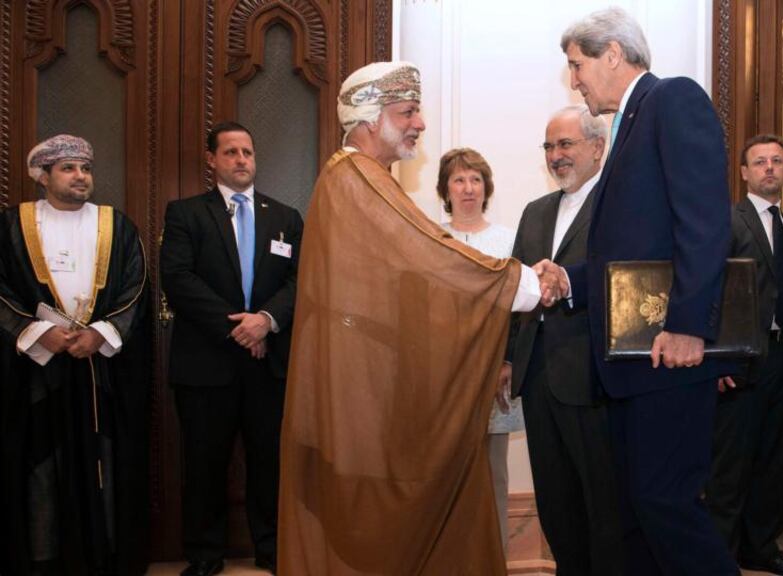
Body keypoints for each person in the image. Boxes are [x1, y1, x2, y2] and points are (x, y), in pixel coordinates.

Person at [276, 61, 554, 575]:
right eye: (407, 112)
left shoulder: (357, 176)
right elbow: (429, 255)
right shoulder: (358, 178)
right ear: (370, 119)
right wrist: (522, 284)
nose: (420, 123)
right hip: (366, 387)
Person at [536, 8, 736, 574]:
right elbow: (629, 250)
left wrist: (689, 326)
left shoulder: (672, 99)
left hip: (669, 352)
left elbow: (704, 223)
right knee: (635, 512)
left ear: (613, 54)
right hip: (633, 358)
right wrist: (570, 281)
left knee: (665, 504)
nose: (574, 79)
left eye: (577, 65)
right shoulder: (626, 123)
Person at [0, 135, 150, 575]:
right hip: (34, 371)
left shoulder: (116, 225)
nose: (80, 176)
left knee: (103, 459)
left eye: (85, 168)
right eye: (68, 168)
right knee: (41, 462)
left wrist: (101, 334)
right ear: (43, 176)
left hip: (98, 369)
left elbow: (136, 287)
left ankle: (103, 557)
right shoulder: (13, 225)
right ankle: (43, 559)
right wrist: (36, 332)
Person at [161, 121, 304, 576]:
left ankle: (272, 548)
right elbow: (178, 278)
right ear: (211, 159)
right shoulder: (185, 214)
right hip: (206, 362)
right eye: (230, 152)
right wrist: (240, 329)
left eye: (247, 152)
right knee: (205, 463)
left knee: (269, 461)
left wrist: (265, 321)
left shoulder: (285, 217)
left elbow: (300, 281)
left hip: (269, 362)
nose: (241, 159)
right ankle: (205, 555)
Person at [506, 104, 623, 574]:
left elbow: (625, 279)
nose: (556, 155)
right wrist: (507, 359)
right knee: (555, 502)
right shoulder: (535, 212)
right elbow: (515, 291)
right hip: (537, 378)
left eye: (566, 144)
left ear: (598, 147)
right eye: (549, 146)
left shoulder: (620, 204)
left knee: (603, 503)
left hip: (595, 379)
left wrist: (568, 282)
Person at [706, 134, 783, 576]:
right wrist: (718, 357)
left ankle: (761, 549)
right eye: (759, 162)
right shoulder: (728, 222)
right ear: (744, 172)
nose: (769, 168)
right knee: (731, 465)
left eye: (776, 160)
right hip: (741, 360)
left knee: (772, 462)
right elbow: (710, 292)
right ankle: (719, 557)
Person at [434, 147, 525, 549]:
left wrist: (508, 360)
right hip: (443, 376)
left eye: (475, 179)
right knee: (443, 474)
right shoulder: (431, 237)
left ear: (486, 188)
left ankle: (494, 560)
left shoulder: (509, 240)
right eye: (458, 179)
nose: (468, 188)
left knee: (493, 474)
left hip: (495, 373)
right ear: (445, 189)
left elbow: (520, 310)